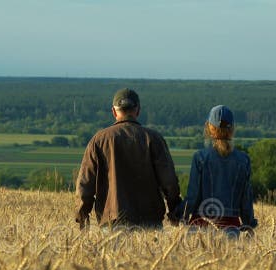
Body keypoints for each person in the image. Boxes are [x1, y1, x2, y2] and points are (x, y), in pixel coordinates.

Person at [75, 88, 181, 229]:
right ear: (138, 110)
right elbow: (169, 182)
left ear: (114, 111)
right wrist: (175, 211)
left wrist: (82, 215)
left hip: (111, 220)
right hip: (150, 221)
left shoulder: (99, 140)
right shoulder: (154, 138)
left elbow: (85, 185)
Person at [175, 105, 258, 236]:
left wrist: (180, 216)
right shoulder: (244, 160)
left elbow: (193, 197)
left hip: (200, 226)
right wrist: (249, 224)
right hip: (231, 227)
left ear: (209, 128)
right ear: (232, 129)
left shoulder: (200, 158)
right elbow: (246, 199)